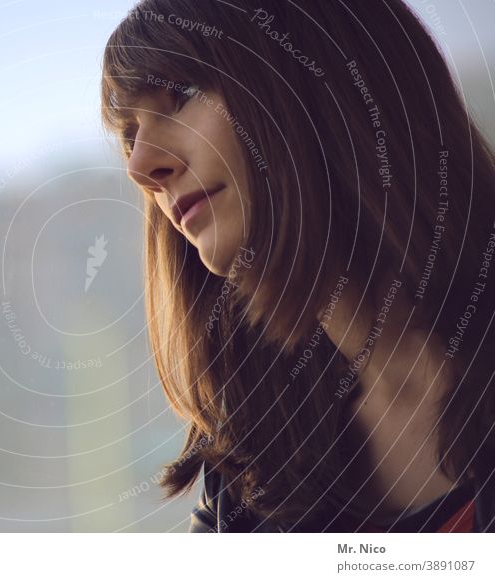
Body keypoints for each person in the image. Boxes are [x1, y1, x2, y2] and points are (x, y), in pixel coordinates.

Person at [100, 0, 495, 532]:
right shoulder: (246, 467)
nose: (141, 167)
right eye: (131, 134)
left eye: (184, 94)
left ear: (325, 82)